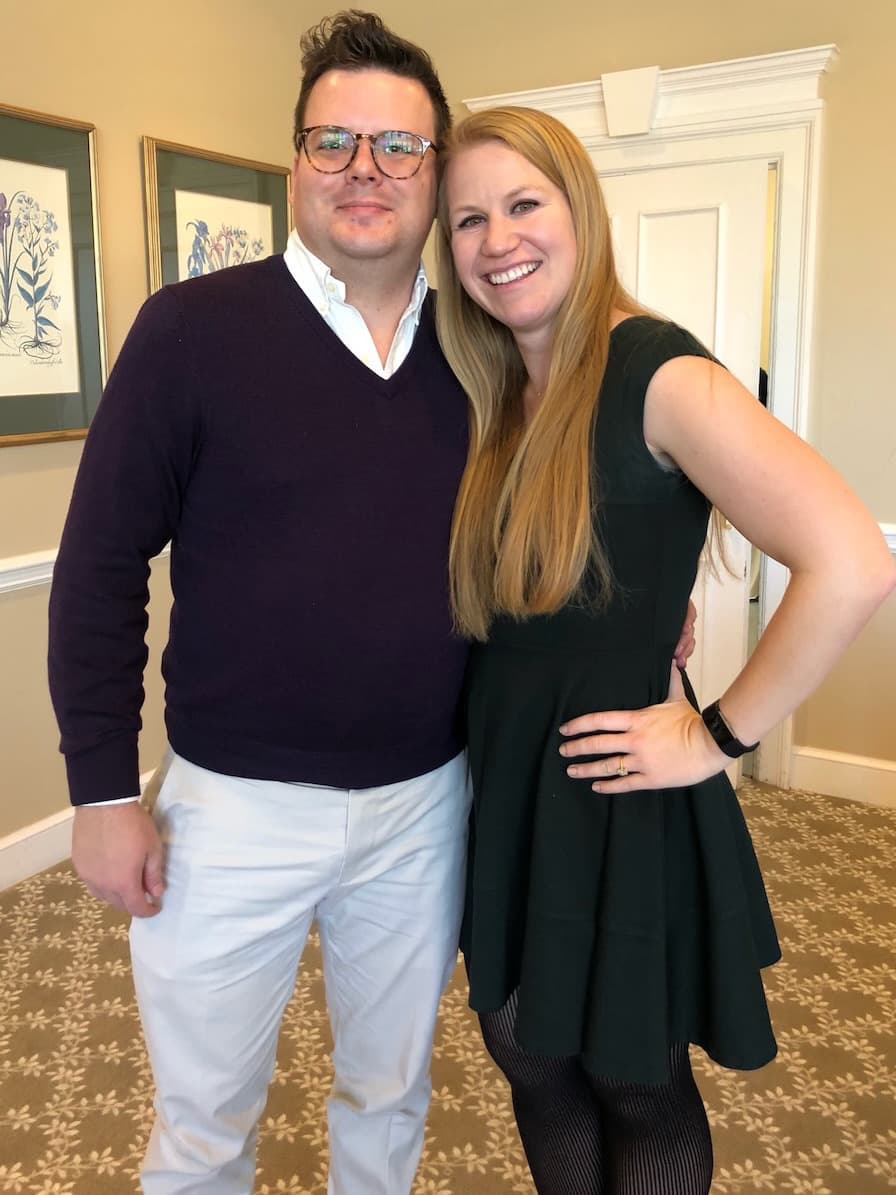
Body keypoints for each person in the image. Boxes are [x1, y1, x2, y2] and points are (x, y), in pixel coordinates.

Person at [47, 14, 696, 1194]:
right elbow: (97, 567)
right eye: (333, 139)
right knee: (201, 1129)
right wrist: (99, 792)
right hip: (231, 812)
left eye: (398, 145)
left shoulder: (487, 353)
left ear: (434, 170)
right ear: (295, 156)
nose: (365, 167)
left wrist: (655, 610)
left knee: (389, 1098)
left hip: (424, 804)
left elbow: (580, 493)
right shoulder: (191, 333)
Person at [434, 105, 896, 1195]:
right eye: (467, 220)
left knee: (629, 1076)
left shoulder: (656, 368)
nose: (497, 240)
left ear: (580, 212)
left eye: (523, 204)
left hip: (614, 789)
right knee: (528, 1051)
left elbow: (852, 560)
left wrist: (718, 735)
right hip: (506, 777)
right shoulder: (494, 386)